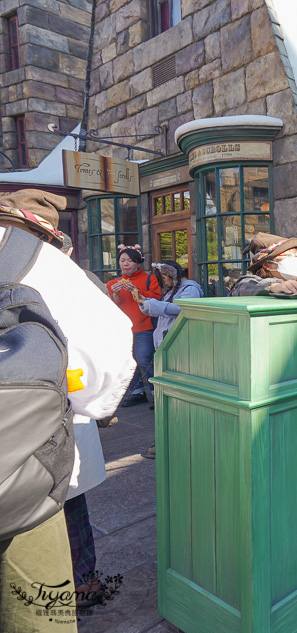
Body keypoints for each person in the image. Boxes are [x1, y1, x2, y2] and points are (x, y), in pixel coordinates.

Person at [0, 190, 134, 632]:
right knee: (35, 603)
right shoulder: (36, 259)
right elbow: (105, 362)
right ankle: (83, 584)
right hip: (22, 467)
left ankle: (85, 580)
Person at [136, 260, 204, 459]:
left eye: (165, 277)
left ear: (174, 275)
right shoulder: (172, 290)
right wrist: (145, 304)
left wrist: (152, 304)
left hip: (179, 348)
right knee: (168, 397)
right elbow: (164, 311)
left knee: (176, 397)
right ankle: (169, 437)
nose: (163, 281)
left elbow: (183, 309)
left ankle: (176, 438)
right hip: (168, 346)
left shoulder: (189, 289)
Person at [107, 245, 160, 408]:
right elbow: (113, 305)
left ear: (138, 262)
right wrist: (115, 294)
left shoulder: (150, 279)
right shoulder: (112, 283)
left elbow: (157, 298)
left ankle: (156, 393)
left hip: (144, 326)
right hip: (124, 329)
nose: (126, 264)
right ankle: (136, 393)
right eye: (122, 261)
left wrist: (137, 291)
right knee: (129, 362)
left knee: (145, 360)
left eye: (130, 261)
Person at [229, 233, 297, 296]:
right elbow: (243, 286)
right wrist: (274, 286)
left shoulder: (296, 285)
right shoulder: (249, 282)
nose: (295, 260)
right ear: (266, 265)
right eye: (288, 256)